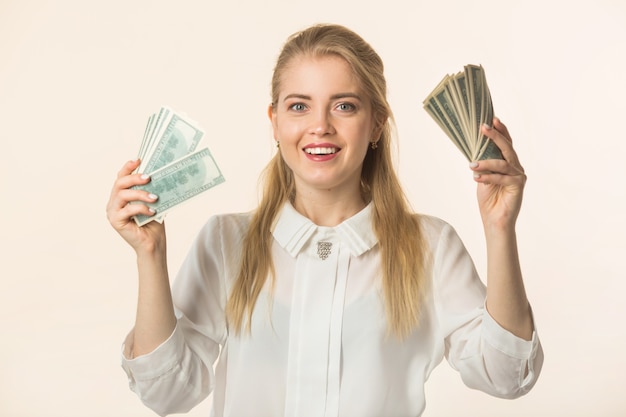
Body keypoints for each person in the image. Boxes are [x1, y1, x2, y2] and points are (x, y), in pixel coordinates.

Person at [106, 23, 543, 417]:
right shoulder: (225, 242)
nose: (320, 126)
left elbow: (506, 376)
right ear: (274, 122)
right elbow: (166, 394)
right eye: (299, 107)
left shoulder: (431, 246)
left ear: (376, 125)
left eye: (344, 106)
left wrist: (500, 228)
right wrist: (150, 253)